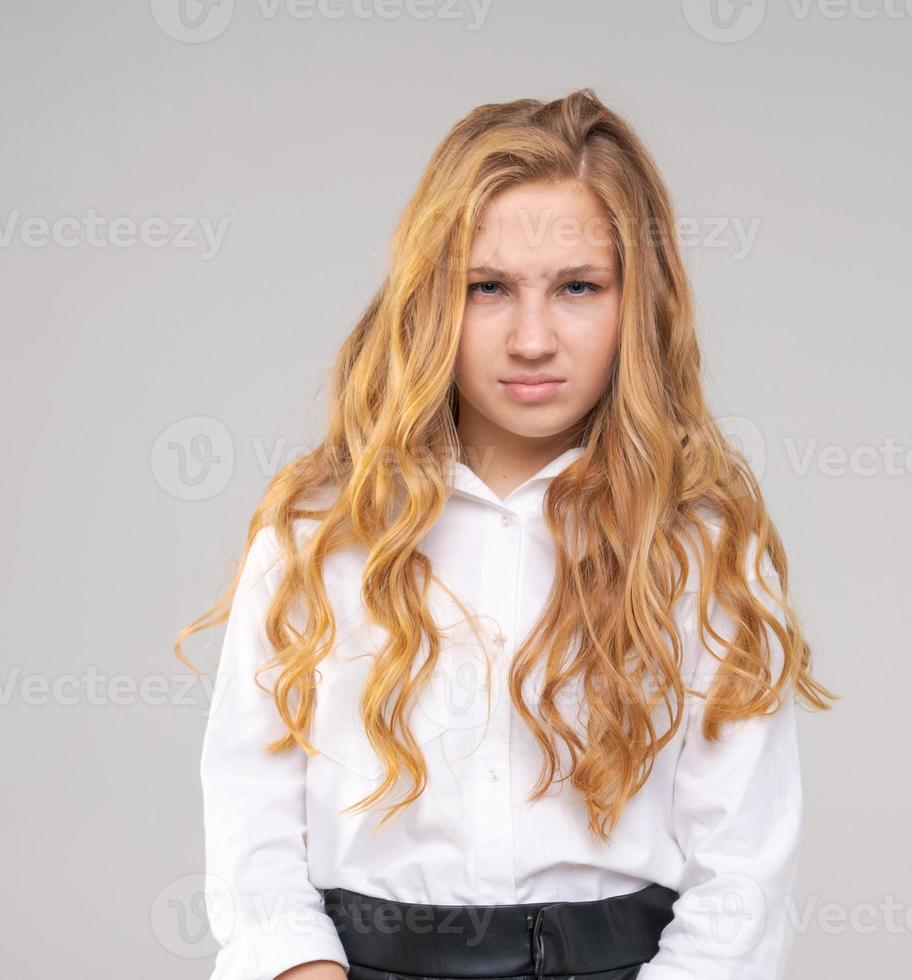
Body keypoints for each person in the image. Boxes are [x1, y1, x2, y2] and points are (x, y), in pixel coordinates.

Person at [175, 88, 835, 980]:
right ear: (429, 298)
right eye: (488, 288)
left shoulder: (701, 545)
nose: (532, 338)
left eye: (577, 288)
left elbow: (743, 873)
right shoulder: (318, 531)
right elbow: (252, 813)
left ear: (635, 303)